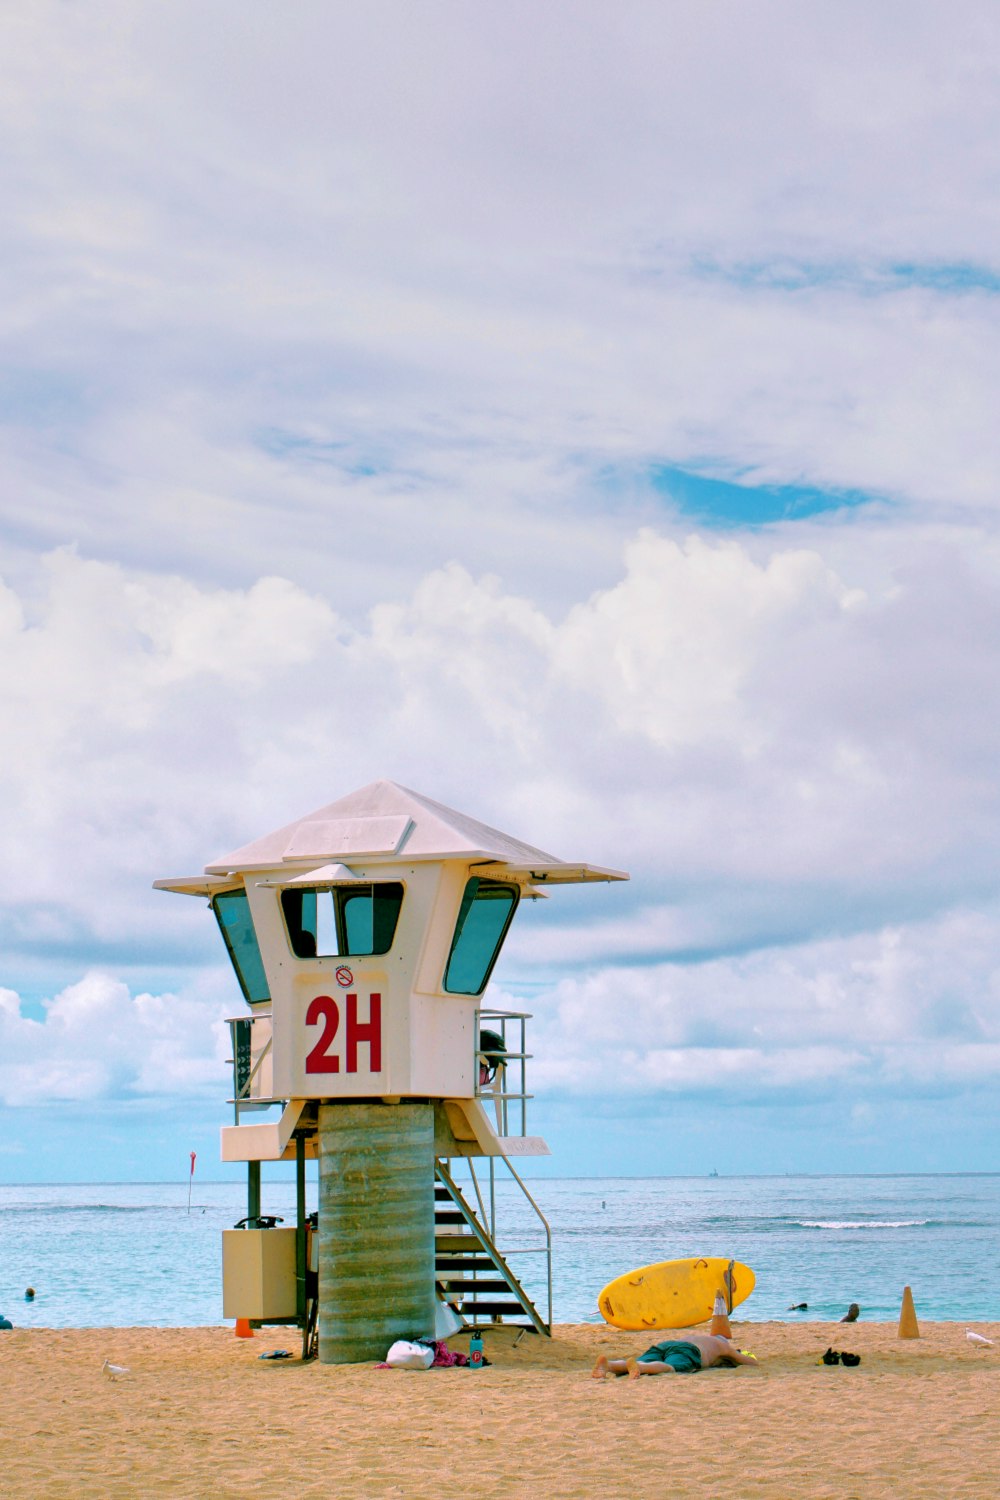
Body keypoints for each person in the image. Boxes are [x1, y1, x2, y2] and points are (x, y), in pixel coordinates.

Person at [592, 1331, 758, 1379]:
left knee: (639, 1362)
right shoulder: (723, 1346)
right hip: (687, 1350)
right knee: (670, 1367)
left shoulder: (700, 1337)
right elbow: (748, 1362)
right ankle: (641, 1368)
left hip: (666, 1344)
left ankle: (610, 1365)